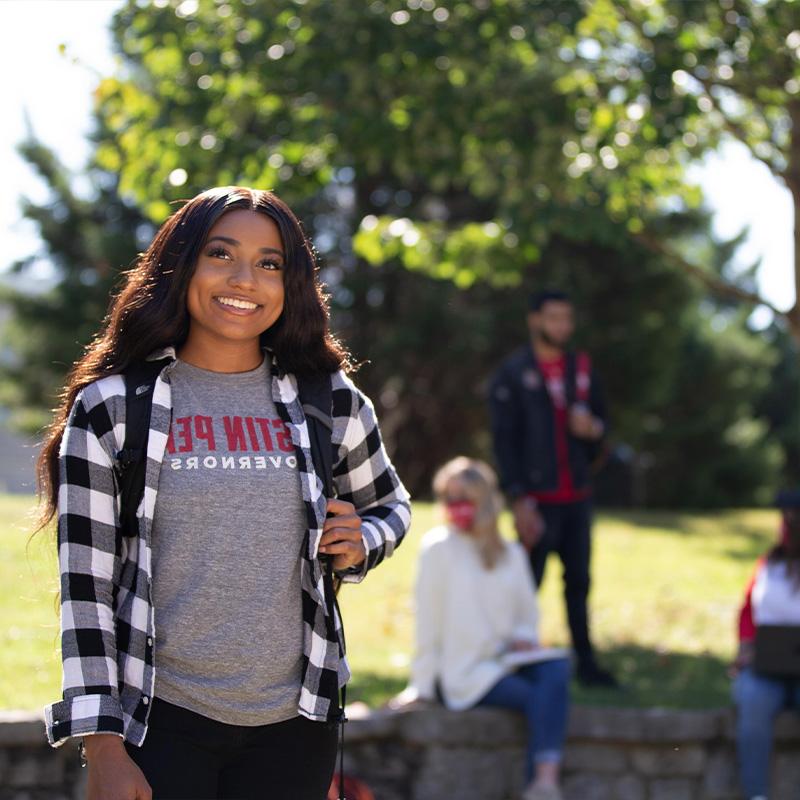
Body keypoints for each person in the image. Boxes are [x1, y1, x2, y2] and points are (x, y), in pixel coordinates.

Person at [37, 186, 412, 800]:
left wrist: (360, 540)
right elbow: (86, 591)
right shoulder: (112, 410)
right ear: (180, 265)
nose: (246, 279)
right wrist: (102, 746)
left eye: (270, 264)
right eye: (221, 254)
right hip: (157, 721)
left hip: (297, 726)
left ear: (290, 284)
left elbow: (390, 507)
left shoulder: (329, 401)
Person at [396, 456, 571, 800]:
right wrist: (421, 685)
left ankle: (544, 782)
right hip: (467, 674)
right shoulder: (438, 548)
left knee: (558, 668)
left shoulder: (511, 553)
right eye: (449, 497)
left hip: (507, 661)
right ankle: (542, 783)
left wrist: (523, 639)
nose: (455, 506)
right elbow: (427, 622)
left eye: (464, 497)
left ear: (485, 500)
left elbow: (527, 616)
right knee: (542, 697)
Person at [488, 289, 615, 687]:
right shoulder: (513, 374)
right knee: (526, 587)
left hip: (577, 497)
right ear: (535, 320)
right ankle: (515, 664)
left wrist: (592, 429)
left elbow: (604, 428)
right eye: (554, 317)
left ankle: (588, 666)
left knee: (579, 584)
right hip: (536, 502)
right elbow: (503, 442)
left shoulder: (582, 368)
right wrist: (519, 498)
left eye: (567, 318)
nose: (562, 326)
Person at [732, 490, 800, 800]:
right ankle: (757, 795)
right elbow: (748, 612)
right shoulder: (768, 565)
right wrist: (746, 647)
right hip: (766, 668)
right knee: (753, 702)